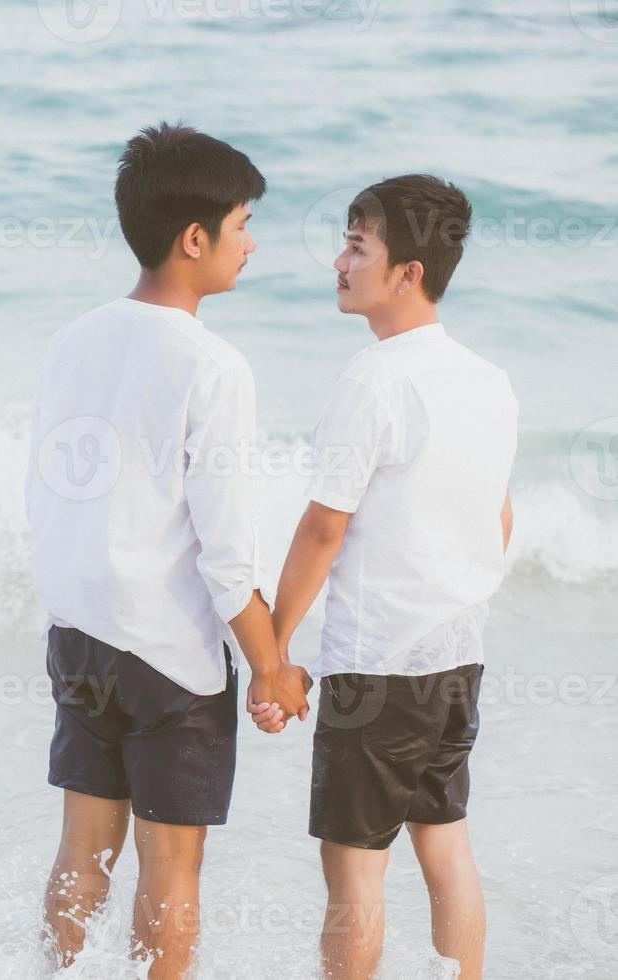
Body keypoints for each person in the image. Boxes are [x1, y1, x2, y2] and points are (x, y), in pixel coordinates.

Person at [25, 121, 310, 976]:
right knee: (171, 863)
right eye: (243, 224)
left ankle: (56, 972)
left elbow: (46, 494)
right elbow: (227, 558)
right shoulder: (213, 365)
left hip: (77, 635)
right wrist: (271, 669)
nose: (250, 243)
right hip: (169, 659)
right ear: (195, 239)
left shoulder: (71, 340)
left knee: (83, 852)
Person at [254, 175, 518, 980]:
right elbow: (499, 519)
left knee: (355, 872)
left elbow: (323, 526)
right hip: (456, 658)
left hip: (375, 667)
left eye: (357, 246)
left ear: (406, 270)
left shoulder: (375, 378)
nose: (340, 260)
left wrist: (277, 645)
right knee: (447, 848)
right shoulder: (488, 381)